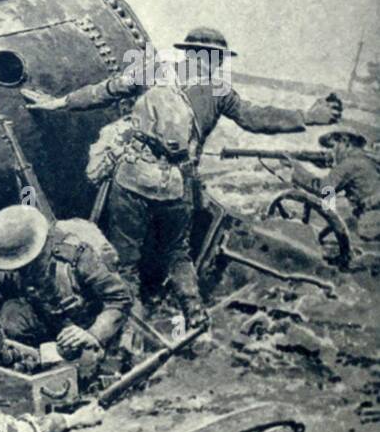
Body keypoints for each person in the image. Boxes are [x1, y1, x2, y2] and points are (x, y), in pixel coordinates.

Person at [23, 27, 342, 325]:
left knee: (127, 255)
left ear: (190, 53)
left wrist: (57, 103)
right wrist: (307, 116)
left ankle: (134, 320)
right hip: (177, 184)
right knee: (178, 254)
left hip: (133, 178)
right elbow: (255, 118)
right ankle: (194, 311)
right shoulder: (219, 92)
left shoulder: (152, 73)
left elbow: (102, 93)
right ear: (212, 59)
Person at [0, 206, 131, 375]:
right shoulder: (10, 251)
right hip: (46, 315)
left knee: (86, 364)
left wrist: (93, 334)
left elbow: (119, 299)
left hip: (82, 323)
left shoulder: (76, 255)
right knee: (10, 315)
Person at [291, 128, 380, 242]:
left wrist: (296, 170)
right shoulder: (365, 159)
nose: (332, 153)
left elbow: (324, 190)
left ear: (345, 142)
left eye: (333, 147)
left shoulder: (350, 163)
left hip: (372, 223)